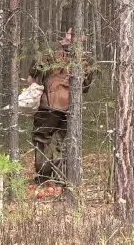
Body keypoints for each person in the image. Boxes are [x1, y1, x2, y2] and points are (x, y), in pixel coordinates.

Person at [27, 28, 94, 184]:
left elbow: (31, 78)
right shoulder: (85, 59)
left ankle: (44, 178)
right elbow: (85, 87)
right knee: (65, 143)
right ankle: (61, 180)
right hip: (71, 107)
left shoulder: (49, 51)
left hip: (47, 105)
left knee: (42, 139)